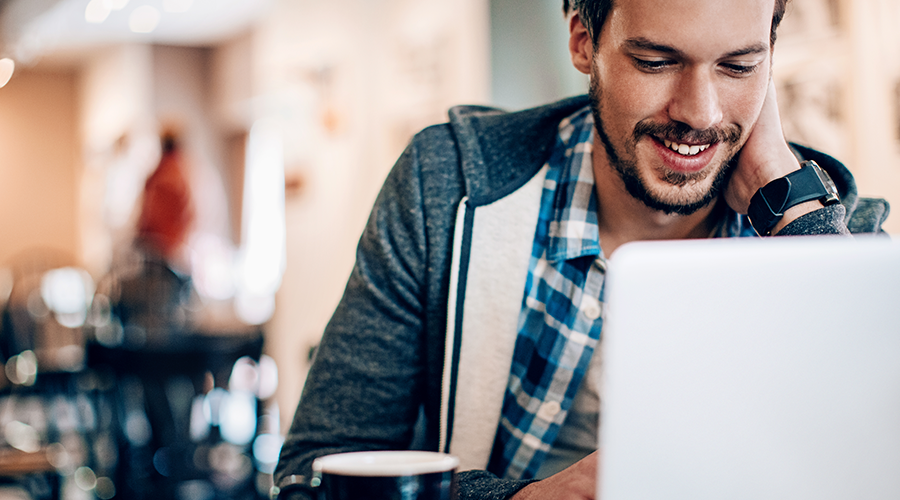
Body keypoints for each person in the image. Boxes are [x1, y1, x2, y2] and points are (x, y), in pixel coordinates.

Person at [274, 0, 890, 499]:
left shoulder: (834, 236)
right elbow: (313, 478)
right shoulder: (447, 187)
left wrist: (790, 201)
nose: (700, 115)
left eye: (738, 66)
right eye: (655, 61)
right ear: (582, 41)